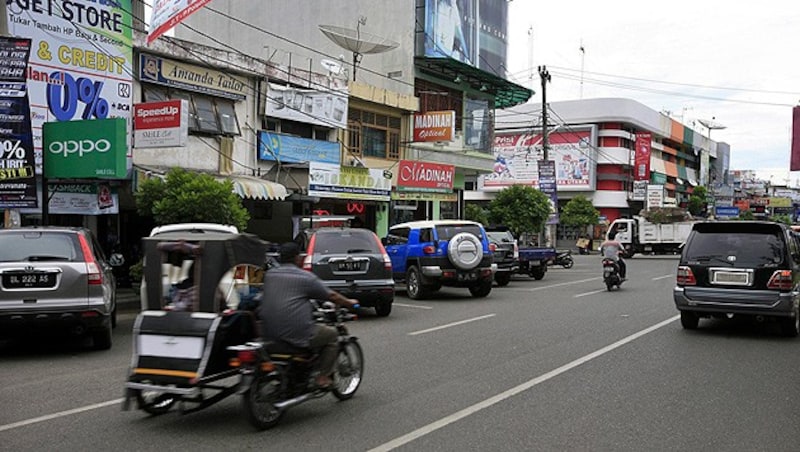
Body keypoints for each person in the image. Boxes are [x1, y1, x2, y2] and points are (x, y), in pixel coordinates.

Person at [258, 242, 358, 389]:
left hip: (268, 334)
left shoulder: (269, 275)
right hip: (296, 335)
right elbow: (331, 296)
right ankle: (322, 377)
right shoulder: (305, 277)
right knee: (332, 335)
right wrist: (349, 303)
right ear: (298, 258)